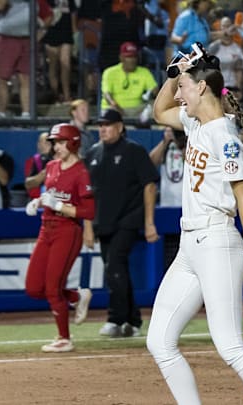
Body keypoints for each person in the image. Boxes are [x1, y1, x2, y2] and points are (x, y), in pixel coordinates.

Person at [148, 48, 243, 404]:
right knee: (159, 340)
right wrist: (177, 71)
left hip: (218, 242)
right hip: (190, 245)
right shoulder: (196, 123)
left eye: (185, 87)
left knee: (231, 347)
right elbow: (159, 111)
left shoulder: (225, 137)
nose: (178, 93)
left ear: (203, 88)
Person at [84, 109, 160, 338]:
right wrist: (88, 226)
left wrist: (149, 223)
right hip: (103, 222)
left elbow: (149, 185)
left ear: (120, 127)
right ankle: (133, 320)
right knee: (116, 269)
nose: (103, 129)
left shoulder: (133, 151)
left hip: (128, 219)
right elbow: (86, 194)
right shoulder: (93, 153)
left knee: (114, 265)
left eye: (108, 125)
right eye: (100, 125)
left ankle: (115, 318)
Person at [24, 123, 95, 353]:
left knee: (53, 288)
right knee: (34, 288)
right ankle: (76, 296)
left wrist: (60, 206)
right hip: (46, 228)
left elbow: (88, 211)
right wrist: (40, 201)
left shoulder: (81, 172)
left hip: (67, 230)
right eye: (55, 142)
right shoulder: (52, 166)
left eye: (61, 142)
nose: (57, 147)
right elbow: (50, 192)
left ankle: (64, 337)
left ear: (73, 143)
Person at [100, 41, 159, 121]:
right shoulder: (110, 72)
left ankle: (146, 127)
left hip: (136, 109)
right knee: (111, 112)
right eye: (129, 57)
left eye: (134, 57)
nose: (132, 60)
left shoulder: (144, 72)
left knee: (155, 106)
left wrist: (153, 93)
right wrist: (116, 107)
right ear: (121, 58)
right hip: (115, 108)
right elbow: (107, 94)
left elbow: (155, 89)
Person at [40, 0, 76, 104]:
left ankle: (66, 95)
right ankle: (55, 95)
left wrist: (74, 31)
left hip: (66, 32)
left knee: (66, 64)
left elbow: (72, 12)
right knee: (53, 65)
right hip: (51, 31)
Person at [148, 126, 187, 207]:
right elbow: (150, 163)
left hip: (185, 203)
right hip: (167, 202)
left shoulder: (188, 146)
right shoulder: (164, 148)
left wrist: (178, 140)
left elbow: (188, 159)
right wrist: (165, 142)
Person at [24, 132, 53, 200]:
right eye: (42, 142)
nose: (45, 145)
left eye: (48, 143)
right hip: (37, 200)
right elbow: (28, 185)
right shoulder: (33, 160)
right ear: (38, 144)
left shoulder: (61, 159)